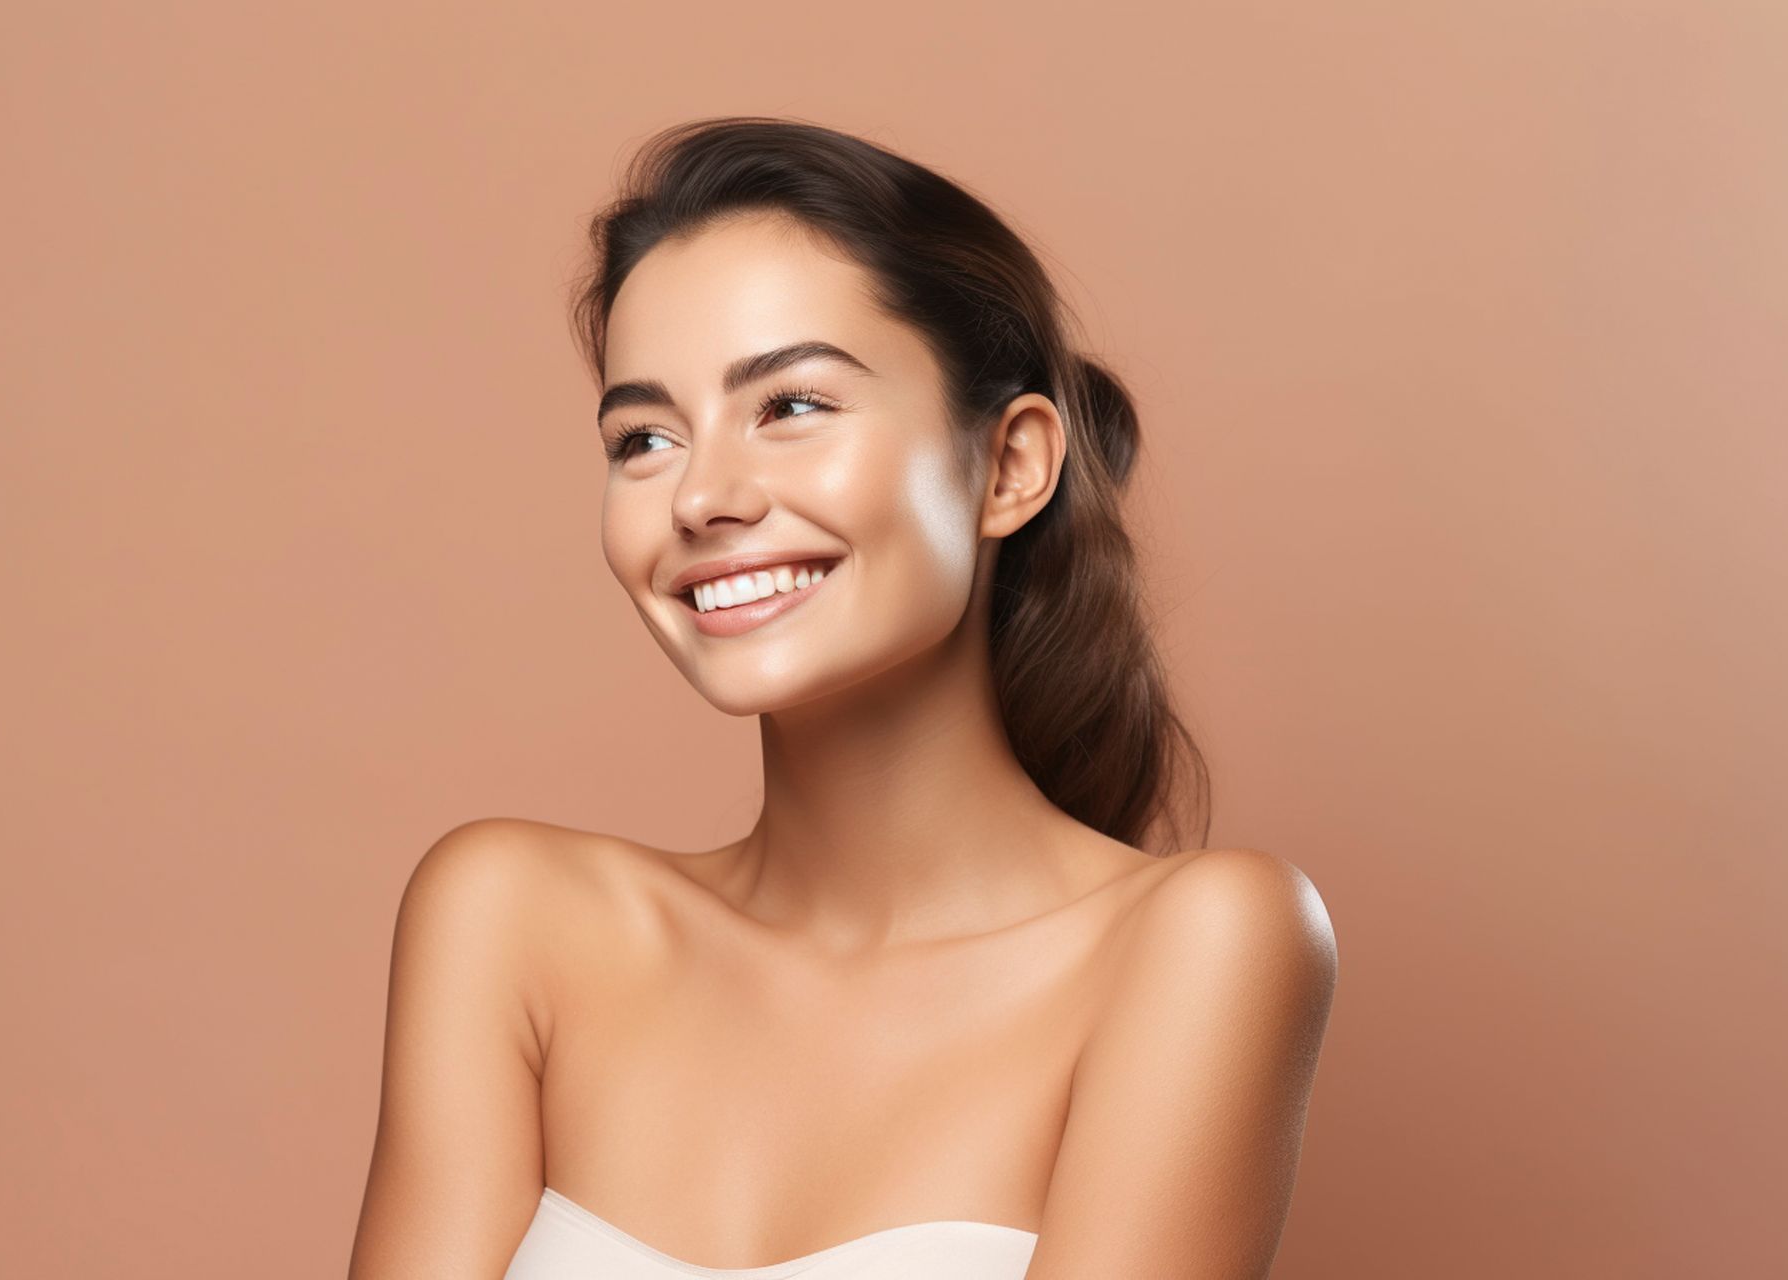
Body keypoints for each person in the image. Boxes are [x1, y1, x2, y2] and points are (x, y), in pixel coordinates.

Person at [347, 116, 1338, 1280]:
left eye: (792, 406)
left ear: (1011, 465)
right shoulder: (511, 920)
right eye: (645, 436)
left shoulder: (1198, 942)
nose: (703, 496)